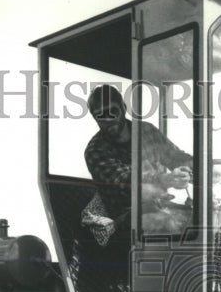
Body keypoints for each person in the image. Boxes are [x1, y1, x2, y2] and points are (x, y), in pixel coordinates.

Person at [82, 85, 193, 243]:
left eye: (113, 111)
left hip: (162, 205)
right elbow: (126, 183)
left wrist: (197, 167)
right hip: (126, 216)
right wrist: (165, 179)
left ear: (124, 108)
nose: (108, 119)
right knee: (169, 223)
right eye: (100, 115)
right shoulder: (95, 151)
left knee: (214, 225)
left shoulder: (147, 131)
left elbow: (175, 156)